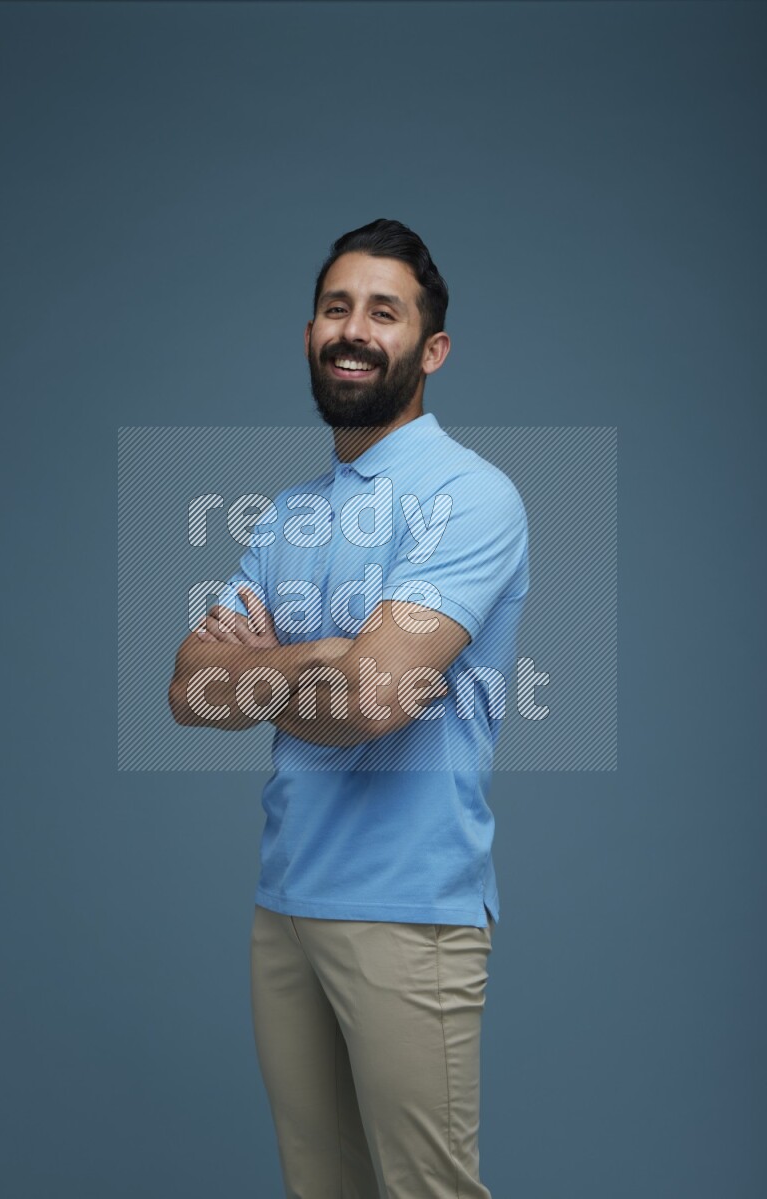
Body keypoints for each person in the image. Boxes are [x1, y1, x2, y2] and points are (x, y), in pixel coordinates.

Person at [169, 218, 529, 1199]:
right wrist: (320, 653)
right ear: (308, 334)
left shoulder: (467, 496)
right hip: (284, 903)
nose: (354, 329)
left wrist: (276, 674)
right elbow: (188, 688)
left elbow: (374, 699)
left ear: (431, 347)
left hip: (408, 909)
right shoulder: (287, 514)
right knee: (318, 1188)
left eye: (383, 310)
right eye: (336, 307)